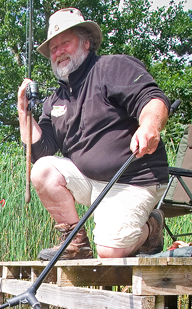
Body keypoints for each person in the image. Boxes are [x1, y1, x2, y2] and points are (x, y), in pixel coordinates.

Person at [17, 7, 171, 260]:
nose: (58, 52)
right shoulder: (55, 99)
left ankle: (152, 227)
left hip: (133, 179)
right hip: (89, 182)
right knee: (43, 168)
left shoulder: (113, 67)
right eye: (53, 49)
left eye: (64, 43)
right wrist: (24, 113)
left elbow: (152, 99)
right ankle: (74, 241)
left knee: (110, 251)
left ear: (86, 43)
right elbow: (41, 151)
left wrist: (149, 126)